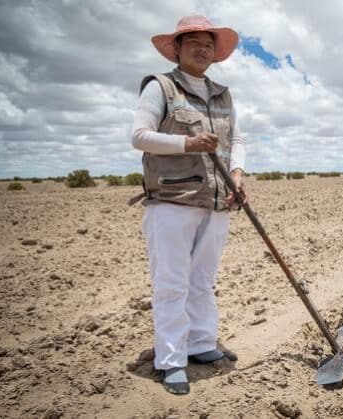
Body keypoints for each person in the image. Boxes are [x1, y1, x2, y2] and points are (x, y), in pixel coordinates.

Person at [130, 14, 248, 395]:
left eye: (209, 44)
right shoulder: (160, 87)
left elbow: (238, 141)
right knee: (172, 283)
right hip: (171, 201)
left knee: (203, 281)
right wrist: (188, 143)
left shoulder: (222, 94)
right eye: (194, 42)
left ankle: (200, 345)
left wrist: (239, 173)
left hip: (215, 202)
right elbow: (140, 136)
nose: (203, 49)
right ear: (177, 49)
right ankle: (170, 360)